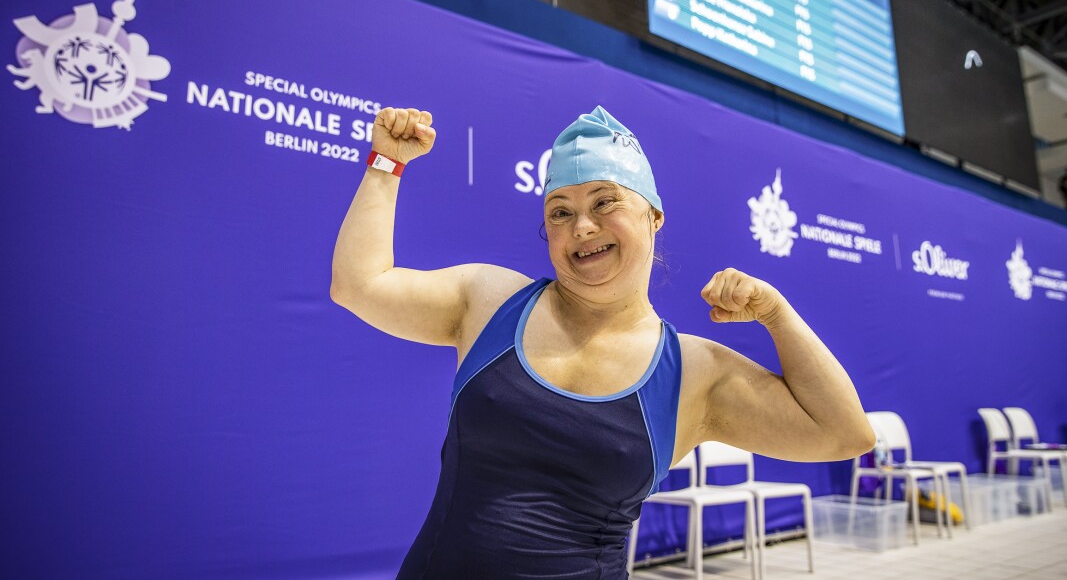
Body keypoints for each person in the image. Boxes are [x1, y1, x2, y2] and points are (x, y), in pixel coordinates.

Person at [331, 106, 875, 579]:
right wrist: (386, 164)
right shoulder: (489, 301)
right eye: (560, 212)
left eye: (604, 202)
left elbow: (843, 434)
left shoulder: (690, 371)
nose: (583, 226)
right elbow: (359, 286)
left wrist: (777, 316)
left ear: (654, 216)